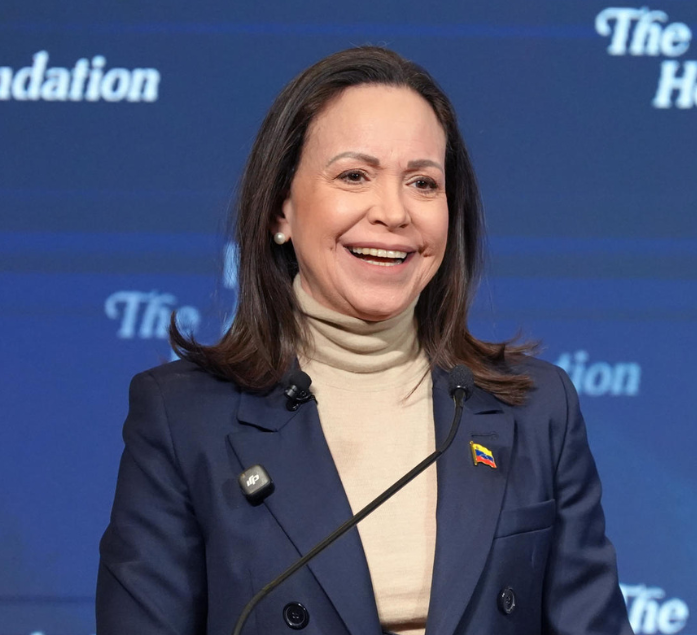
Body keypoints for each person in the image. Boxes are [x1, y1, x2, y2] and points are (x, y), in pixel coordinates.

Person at [96, 46, 632, 635]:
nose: (394, 212)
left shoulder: (537, 408)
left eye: (423, 183)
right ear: (280, 210)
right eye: (354, 176)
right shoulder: (183, 417)